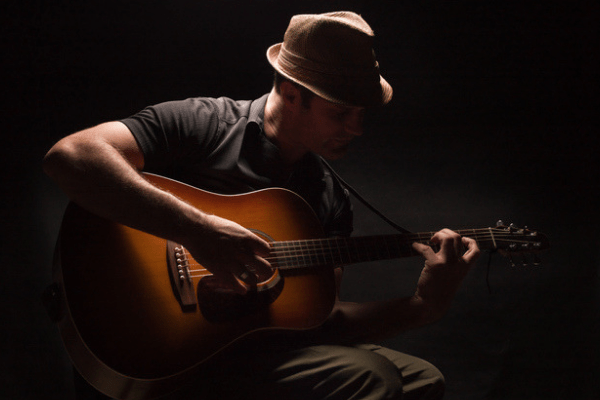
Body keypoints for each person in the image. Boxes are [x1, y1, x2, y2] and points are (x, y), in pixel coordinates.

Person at [44, 11, 479, 400]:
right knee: (371, 376)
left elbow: (318, 320)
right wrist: (198, 231)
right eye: (341, 112)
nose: (357, 128)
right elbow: (72, 157)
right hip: (161, 347)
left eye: (362, 113)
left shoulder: (327, 196)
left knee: (422, 379)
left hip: (248, 352)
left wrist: (423, 306)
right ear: (292, 93)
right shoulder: (204, 124)